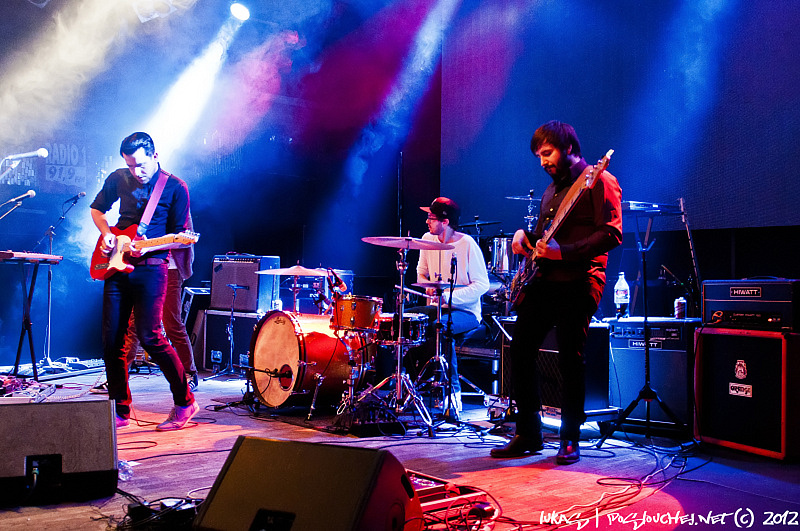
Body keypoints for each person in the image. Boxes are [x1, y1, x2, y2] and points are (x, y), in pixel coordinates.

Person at [490, 121, 622, 464]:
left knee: (569, 357)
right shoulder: (551, 192)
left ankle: (569, 438)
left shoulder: (599, 180)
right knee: (519, 351)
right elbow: (540, 239)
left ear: (569, 148)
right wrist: (523, 238)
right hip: (546, 280)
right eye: (538, 155)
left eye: (547, 153)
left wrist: (566, 251)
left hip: (580, 280)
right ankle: (528, 433)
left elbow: (612, 233)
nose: (542, 161)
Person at [91, 132, 199, 431]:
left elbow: (181, 237)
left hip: (152, 267)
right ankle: (120, 410)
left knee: (151, 336)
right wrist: (106, 233)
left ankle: (185, 401)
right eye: (130, 166)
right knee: (111, 341)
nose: (136, 172)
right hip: (116, 264)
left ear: (154, 155)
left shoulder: (175, 187)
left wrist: (148, 246)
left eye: (140, 165)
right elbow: (97, 209)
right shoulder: (119, 178)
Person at [405, 197, 490, 418]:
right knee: (405, 320)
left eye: (430, 218)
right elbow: (420, 271)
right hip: (439, 306)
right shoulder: (426, 240)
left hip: (466, 312)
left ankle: (453, 394)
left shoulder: (467, 244)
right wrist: (428, 287)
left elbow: (482, 284)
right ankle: (412, 386)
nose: (426, 222)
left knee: (439, 327)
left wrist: (449, 298)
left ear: (445, 221)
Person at [122, 244, 198, 391]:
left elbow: (185, 240)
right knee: (133, 325)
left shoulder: (180, 219)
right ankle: (119, 378)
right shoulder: (143, 219)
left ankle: (189, 373)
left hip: (169, 270)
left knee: (172, 325)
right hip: (144, 269)